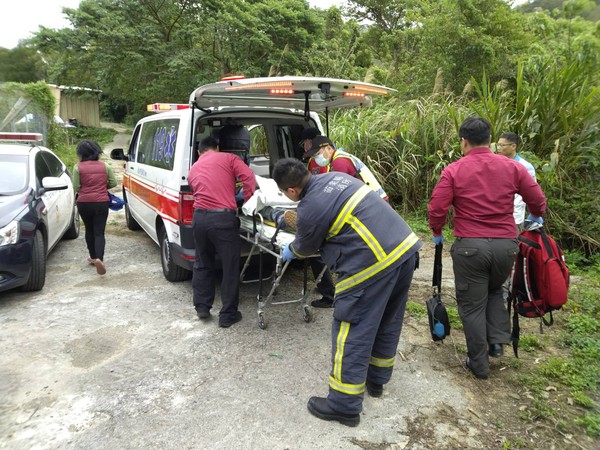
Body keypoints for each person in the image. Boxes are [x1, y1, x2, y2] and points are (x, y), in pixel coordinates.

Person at [273, 158, 421, 427]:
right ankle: (376, 380)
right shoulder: (335, 178)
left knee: (351, 328)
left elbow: (305, 248)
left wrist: (291, 250)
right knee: (387, 319)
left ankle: (343, 405)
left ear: (290, 192)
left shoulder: (309, 207)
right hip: (404, 250)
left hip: (373, 263)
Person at [428, 117, 547, 380]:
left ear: (464, 141)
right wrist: (535, 218)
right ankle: (496, 343)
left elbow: (437, 208)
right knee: (495, 291)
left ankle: (479, 364)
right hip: (506, 246)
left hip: (470, 248)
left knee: (471, 306)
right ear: (490, 140)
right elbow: (538, 201)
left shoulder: (454, 170)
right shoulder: (512, 167)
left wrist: (437, 232)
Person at [188, 136, 256, 328]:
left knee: (202, 262)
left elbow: (196, 190)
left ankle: (202, 306)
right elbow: (249, 177)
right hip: (223, 220)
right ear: (217, 148)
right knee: (230, 266)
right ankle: (228, 314)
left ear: (199, 152)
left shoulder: (193, 167)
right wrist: (248, 202)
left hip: (199, 219)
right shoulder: (229, 158)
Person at [73, 140, 117, 275]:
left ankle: (93, 257)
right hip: (101, 202)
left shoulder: (77, 167)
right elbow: (113, 182)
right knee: (99, 232)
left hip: (84, 203)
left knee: (89, 230)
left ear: (81, 154)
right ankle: (100, 260)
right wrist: (102, 188)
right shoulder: (105, 166)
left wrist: (85, 190)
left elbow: (76, 187)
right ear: (97, 152)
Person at [305, 135, 389, 201]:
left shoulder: (339, 162)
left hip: (374, 201)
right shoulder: (340, 157)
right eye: (314, 156)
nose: (316, 159)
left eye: (318, 154)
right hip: (375, 198)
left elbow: (338, 192)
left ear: (329, 148)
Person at [496, 132, 537, 230]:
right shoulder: (495, 164)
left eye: (502, 145)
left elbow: (532, 193)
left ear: (513, 146)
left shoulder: (526, 167)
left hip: (515, 218)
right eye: (498, 145)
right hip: (495, 217)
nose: (498, 148)